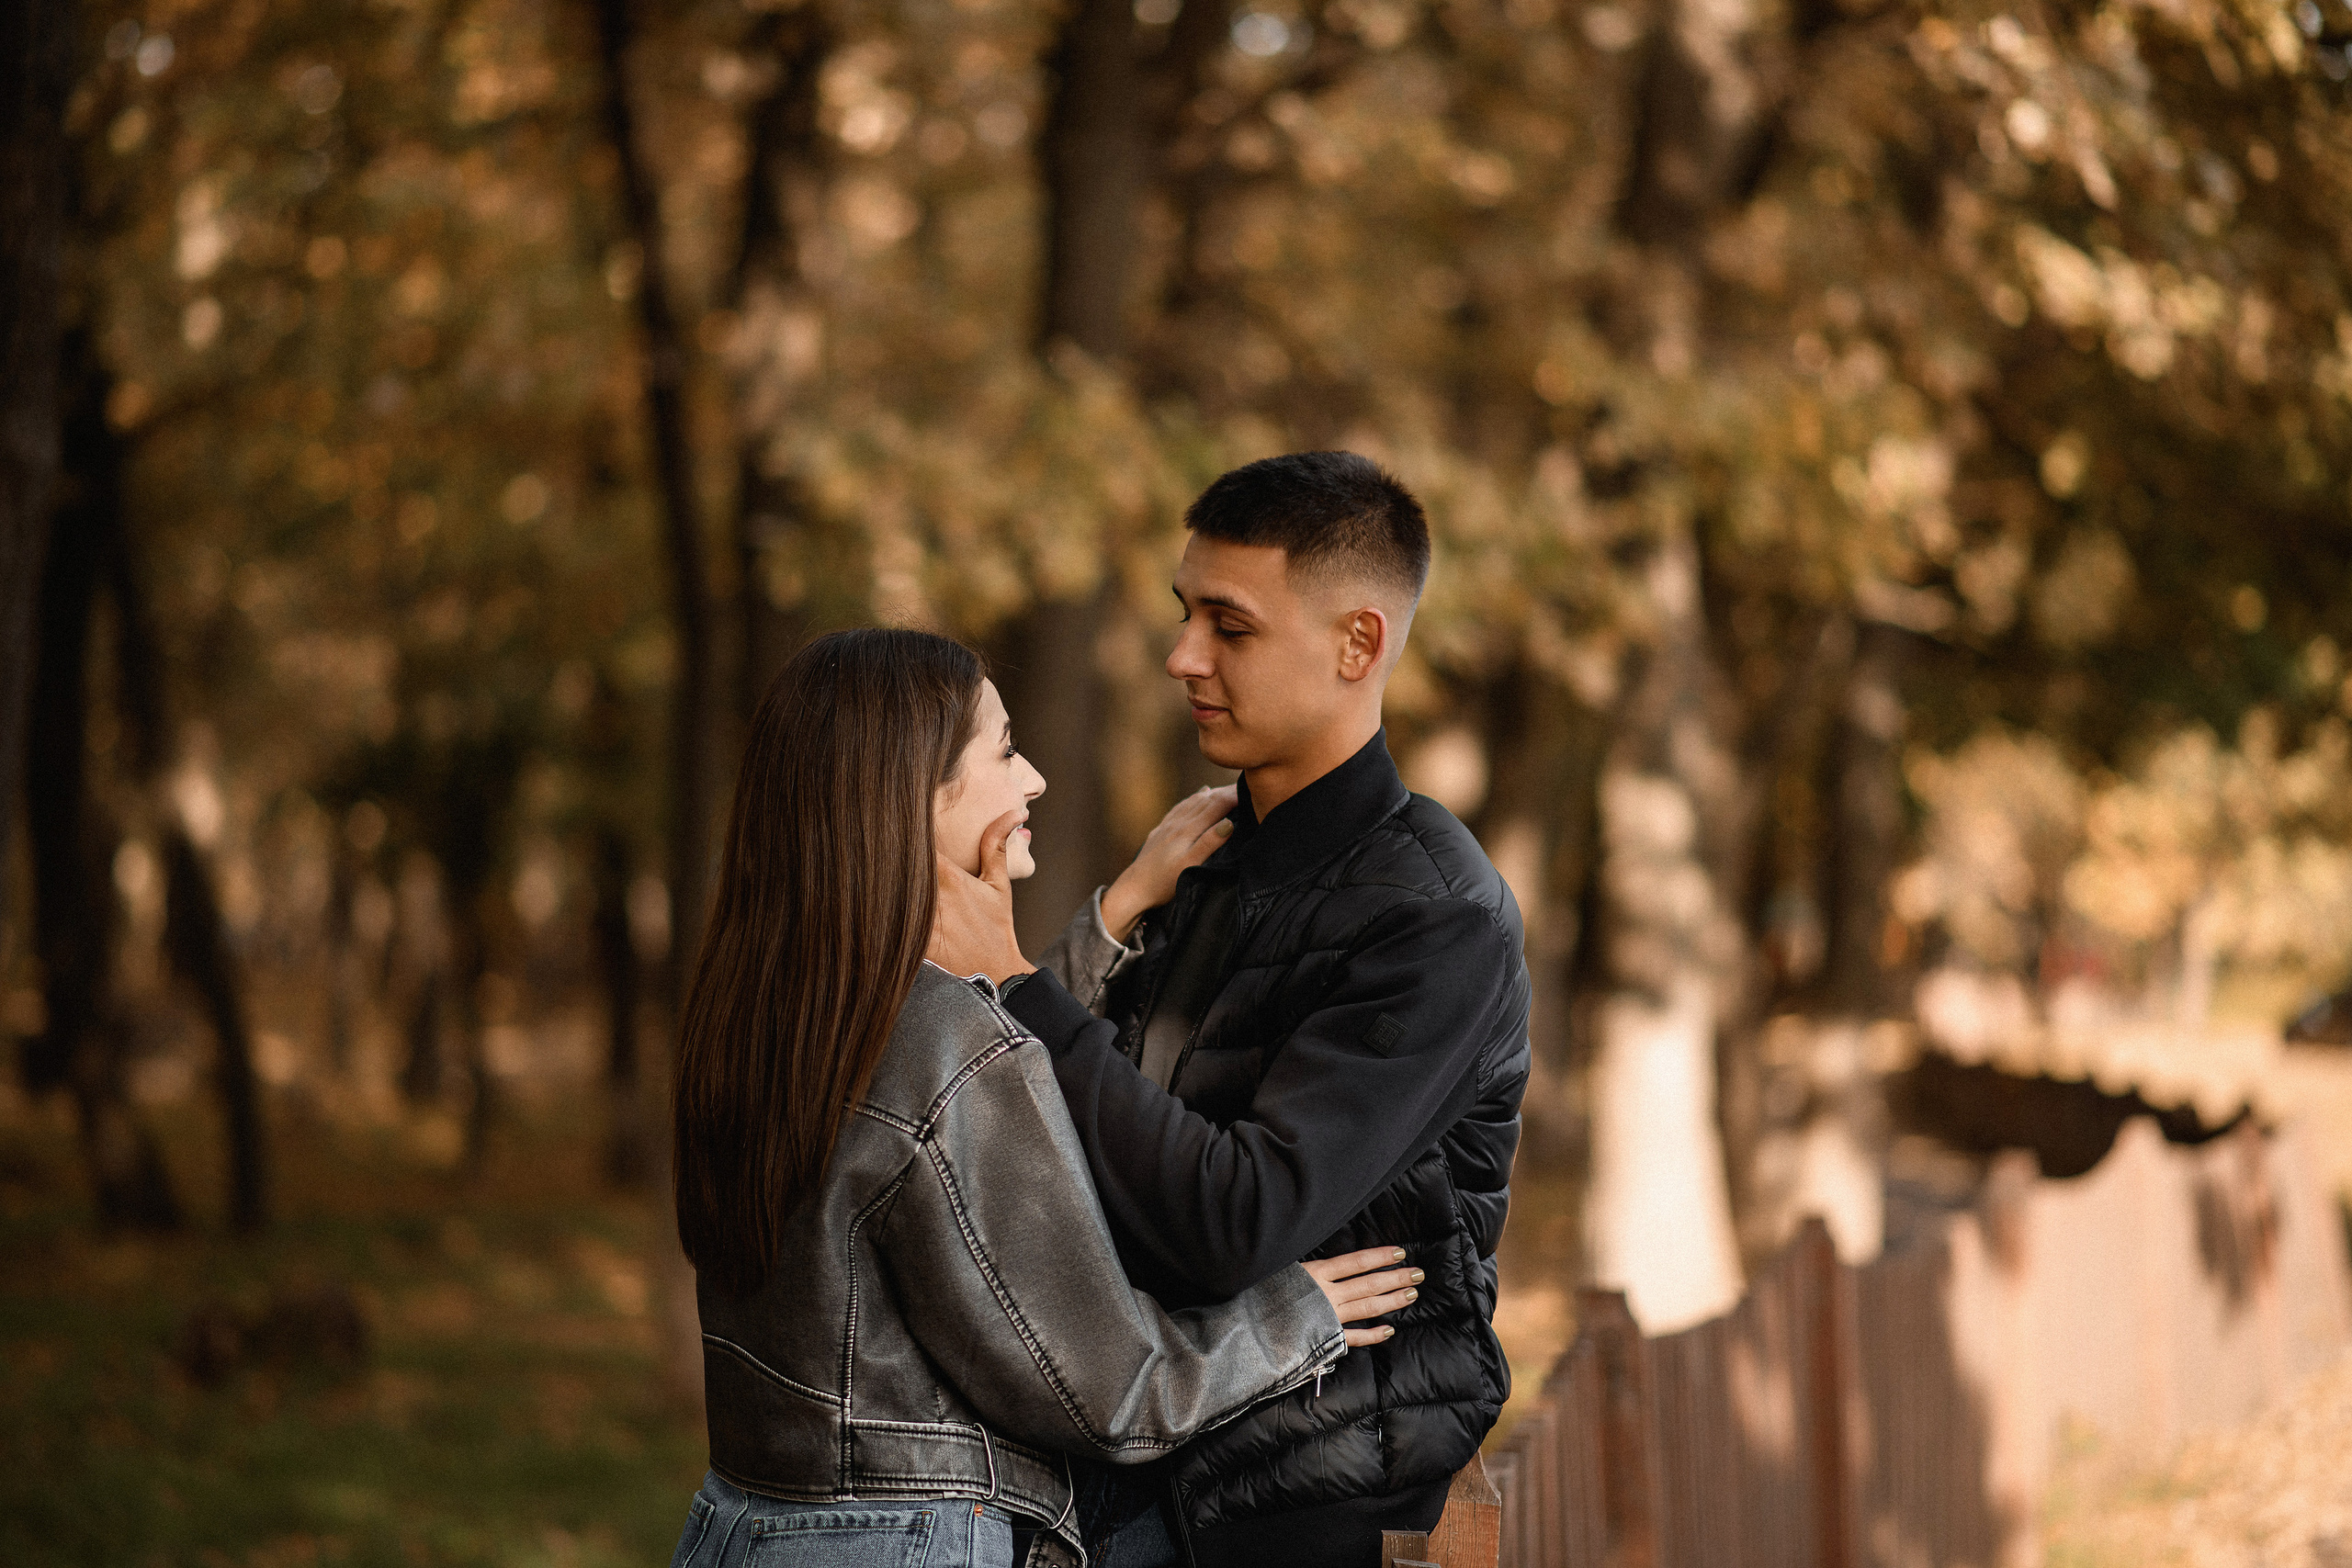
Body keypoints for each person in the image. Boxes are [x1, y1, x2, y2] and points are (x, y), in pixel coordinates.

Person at [668, 627, 1421, 1568]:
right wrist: (1291, 1319)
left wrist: (1113, 915)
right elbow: (1110, 1392)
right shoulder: (947, 1042)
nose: (1034, 782)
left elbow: (949, 1117)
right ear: (912, 794)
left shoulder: (767, 1003)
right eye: (1004, 751)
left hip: (743, 1525)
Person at [931, 453, 1533, 1567]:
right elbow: (1077, 1166)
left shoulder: (1437, 919)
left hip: (1305, 1508)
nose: (1181, 656)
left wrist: (1020, 988)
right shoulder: (1207, 865)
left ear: (1358, 644)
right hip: (1137, 1471)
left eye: (1230, 626)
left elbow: (1235, 1224)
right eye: (1184, 614)